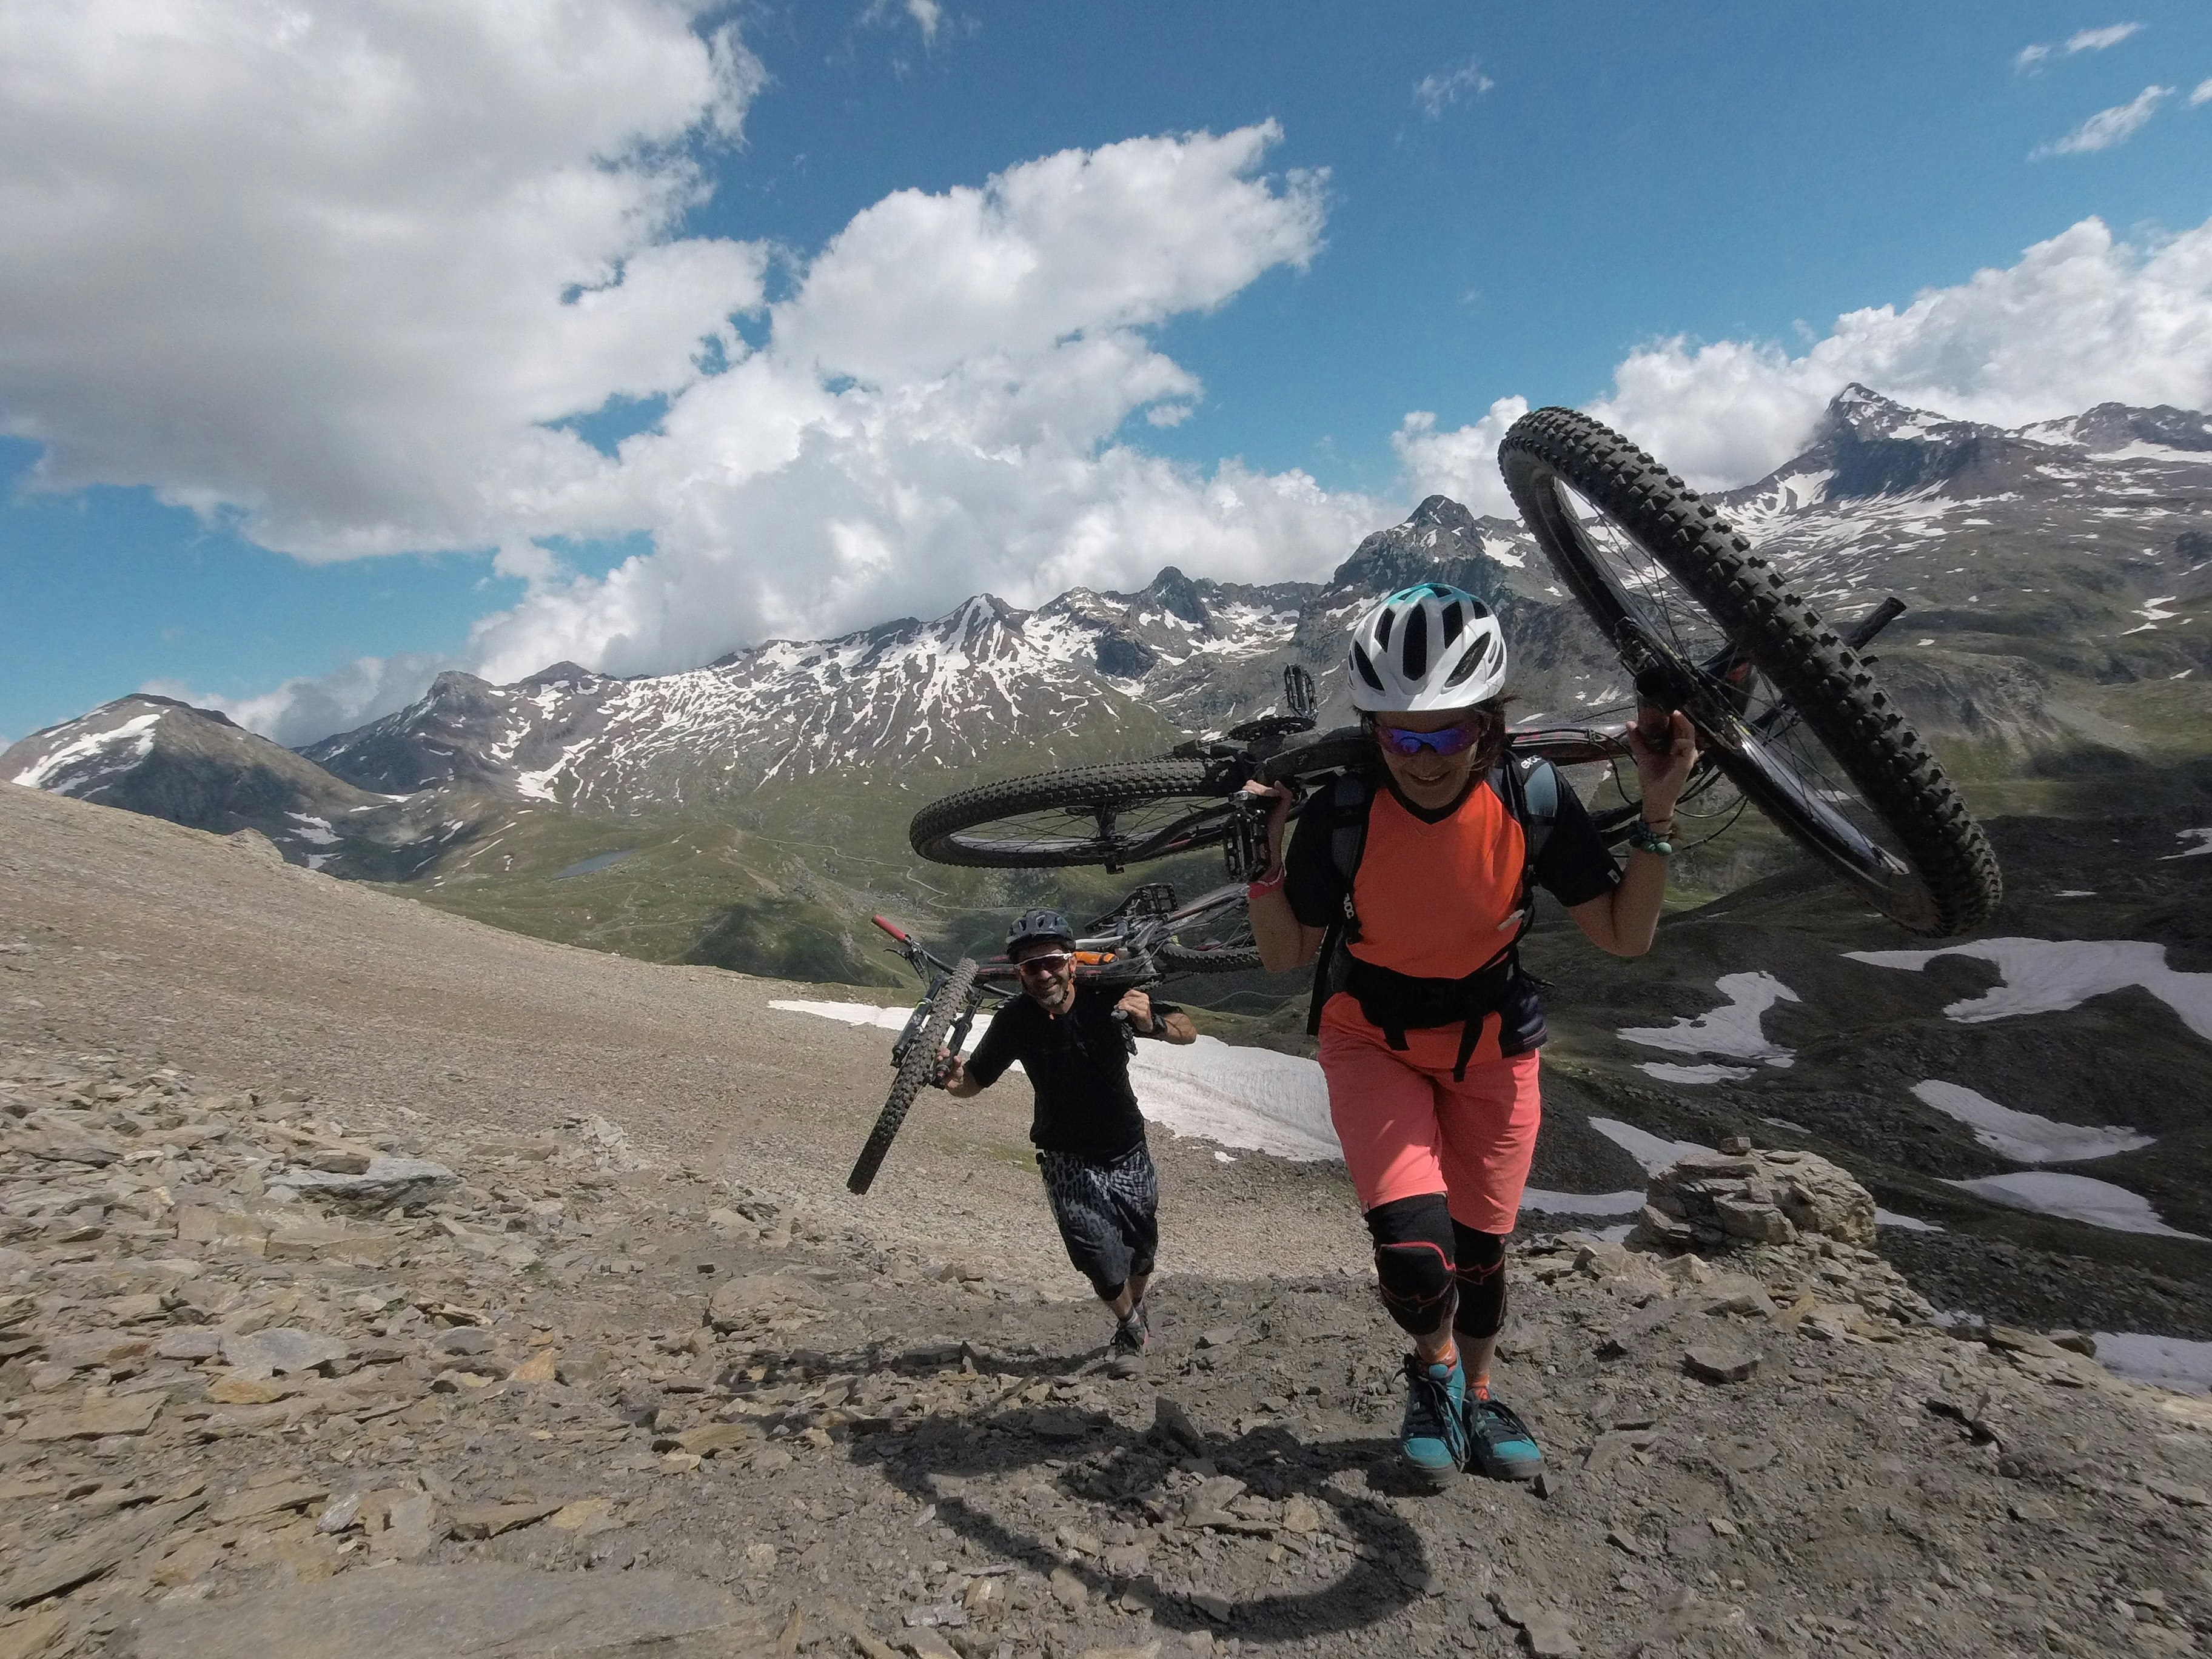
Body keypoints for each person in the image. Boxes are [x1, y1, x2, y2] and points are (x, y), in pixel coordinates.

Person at [1244, 581, 1696, 1487]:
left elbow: (1624, 934)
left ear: (1488, 722)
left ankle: (1478, 1395)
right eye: (1400, 735)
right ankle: (1436, 1375)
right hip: (1368, 1037)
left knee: (1481, 1256)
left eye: (1448, 732)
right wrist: (1259, 855)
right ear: (1371, 730)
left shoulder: (1532, 796)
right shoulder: (1342, 812)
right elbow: (1289, 953)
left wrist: (1656, 812)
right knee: (1417, 1258)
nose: (1422, 757)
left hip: (1494, 1044)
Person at [936, 908, 1198, 1355]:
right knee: (1097, 1257)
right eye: (1029, 967)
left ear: (1073, 963)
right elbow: (975, 1081)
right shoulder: (1014, 1021)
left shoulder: (1111, 994)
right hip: (1065, 1156)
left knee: (1141, 1250)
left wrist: (1151, 1022)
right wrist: (953, 1079)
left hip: (1127, 1146)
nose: (1043, 974)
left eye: (1052, 961)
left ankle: (1138, 1308)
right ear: (1019, 975)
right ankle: (1131, 1327)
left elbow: (1187, 1032)